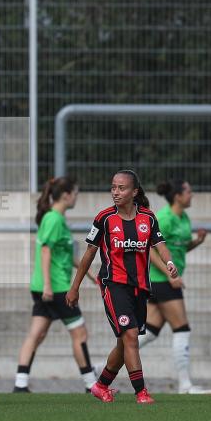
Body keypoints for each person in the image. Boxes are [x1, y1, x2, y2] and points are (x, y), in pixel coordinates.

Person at [66, 169, 178, 405]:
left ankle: (101, 385)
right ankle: (141, 392)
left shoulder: (148, 218)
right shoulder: (104, 218)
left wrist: (169, 263)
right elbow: (88, 254)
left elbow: (160, 244)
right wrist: (74, 287)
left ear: (134, 192)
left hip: (140, 287)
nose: (115, 192)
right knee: (130, 337)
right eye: (113, 187)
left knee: (125, 342)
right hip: (113, 285)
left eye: (121, 188)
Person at [14, 177, 99, 393]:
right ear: (66, 195)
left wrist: (90, 274)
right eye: (75, 193)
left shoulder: (56, 218)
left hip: (46, 287)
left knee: (37, 334)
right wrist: (48, 286)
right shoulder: (53, 219)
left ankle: (20, 384)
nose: (76, 197)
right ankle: (92, 385)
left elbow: (65, 254)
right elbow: (46, 251)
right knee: (79, 334)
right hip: (57, 289)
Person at [140, 179, 211, 394]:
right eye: (189, 192)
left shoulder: (184, 217)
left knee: (150, 331)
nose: (192, 195)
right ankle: (185, 385)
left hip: (166, 280)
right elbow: (149, 249)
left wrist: (197, 242)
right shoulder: (164, 218)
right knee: (182, 329)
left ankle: (100, 369)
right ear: (178, 196)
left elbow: (178, 249)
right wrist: (170, 275)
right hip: (162, 280)